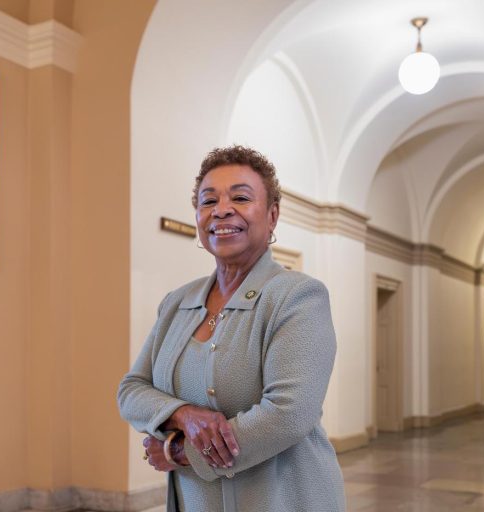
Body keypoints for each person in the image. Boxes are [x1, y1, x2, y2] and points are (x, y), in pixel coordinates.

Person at [117, 146, 345, 511]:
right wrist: (183, 416)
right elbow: (131, 390)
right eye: (209, 201)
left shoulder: (299, 296)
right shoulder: (177, 302)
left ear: (272, 216)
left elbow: (289, 415)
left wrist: (180, 451)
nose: (221, 209)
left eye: (240, 197)